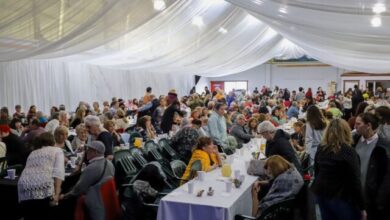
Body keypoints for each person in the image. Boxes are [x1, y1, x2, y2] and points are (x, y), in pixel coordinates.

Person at [311, 119, 366, 220]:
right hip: (339, 196)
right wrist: (362, 206)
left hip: (321, 193)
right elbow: (355, 181)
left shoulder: (321, 148)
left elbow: (317, 171)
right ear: (346, 132)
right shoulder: (348, 152)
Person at [59, 141, 115, 219]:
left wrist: (64, 196)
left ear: (95, 152)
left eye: (89, 149)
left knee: (63, 201)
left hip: (92, 201)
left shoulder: (91, 168)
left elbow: (78, 190)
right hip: (103, 200)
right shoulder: (110, 163)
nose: (86, 151)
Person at [18, 132, 65, 220]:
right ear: (53, 141)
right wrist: (57, 194)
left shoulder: (33, 153)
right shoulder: (57, 150)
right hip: (43, 187)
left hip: (24, 188)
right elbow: (58, 172)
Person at [353, 113, 390, 220]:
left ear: (368, 125)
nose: (355, 126)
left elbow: (387, 178)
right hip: (355, 198)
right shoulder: (354, 141)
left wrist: (380, 201)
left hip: (373, 200)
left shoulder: (384, 147)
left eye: (358, 124)